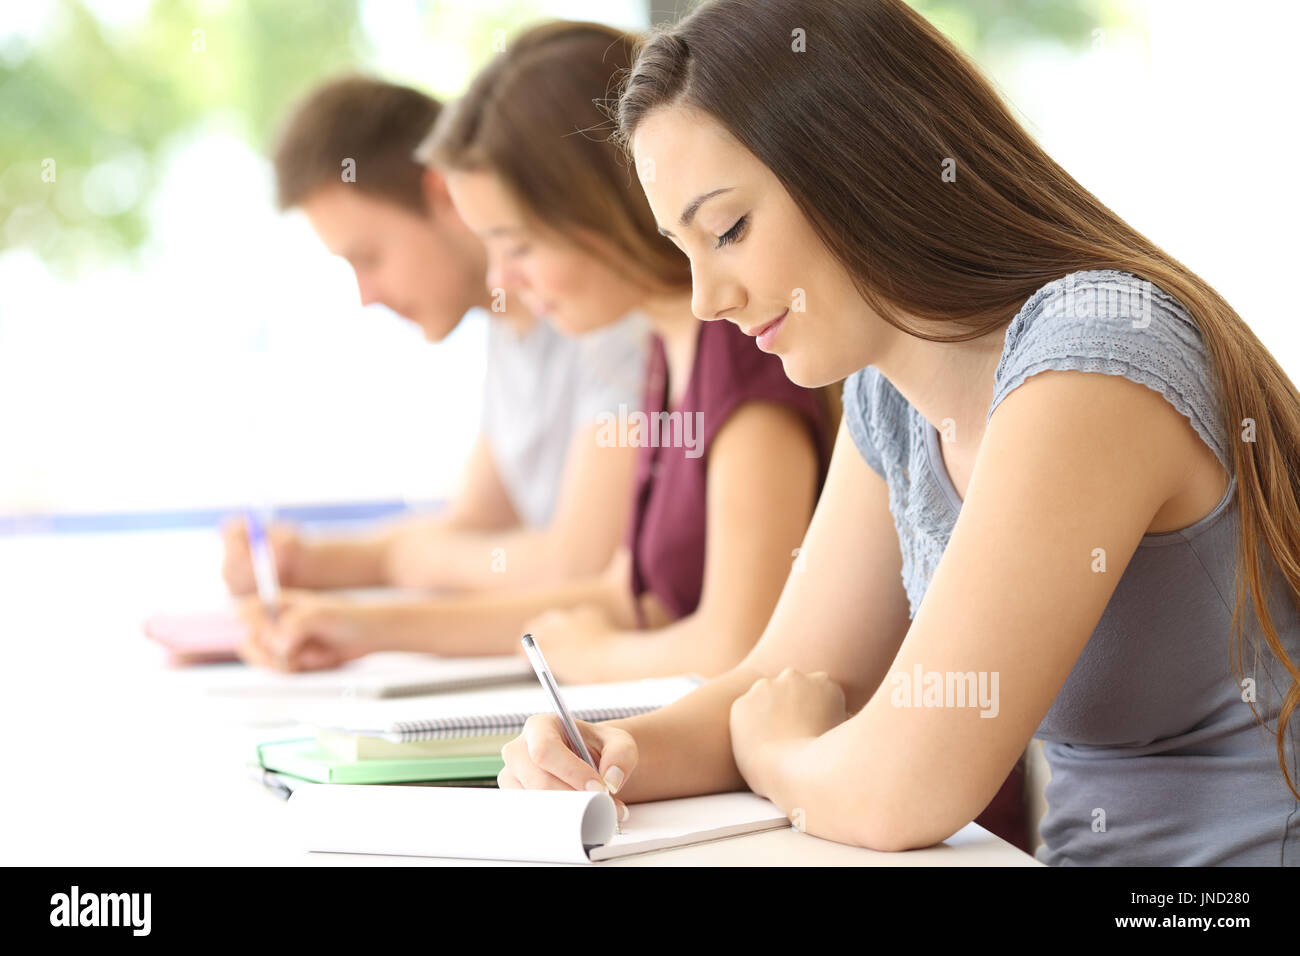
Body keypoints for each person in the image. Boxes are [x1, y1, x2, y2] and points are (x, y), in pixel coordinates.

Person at [497, 0, 1300, 866]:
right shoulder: (890, 390)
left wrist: (775, 753)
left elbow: (902, 790)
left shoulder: (1093, 359)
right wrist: (615, 755)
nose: (706, 299)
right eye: (685, 249)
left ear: (864, 161)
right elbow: (794, 680)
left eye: (728, 230)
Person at [237, 22, 833, 695]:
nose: (503, 281)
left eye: (517, 246)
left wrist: (585, 658)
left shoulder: (739, 347)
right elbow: (623, 597)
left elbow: (735, 641)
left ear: (594, 208)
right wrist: (362, 628)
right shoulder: (669, 353)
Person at [221, 76, 648, 598]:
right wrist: (305, 561)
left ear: (442, 194)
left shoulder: (600, 315)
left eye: (369, 258)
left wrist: (411, 563)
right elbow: (478, 521)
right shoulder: (509, 328)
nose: (366, 297)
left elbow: (576, 565)